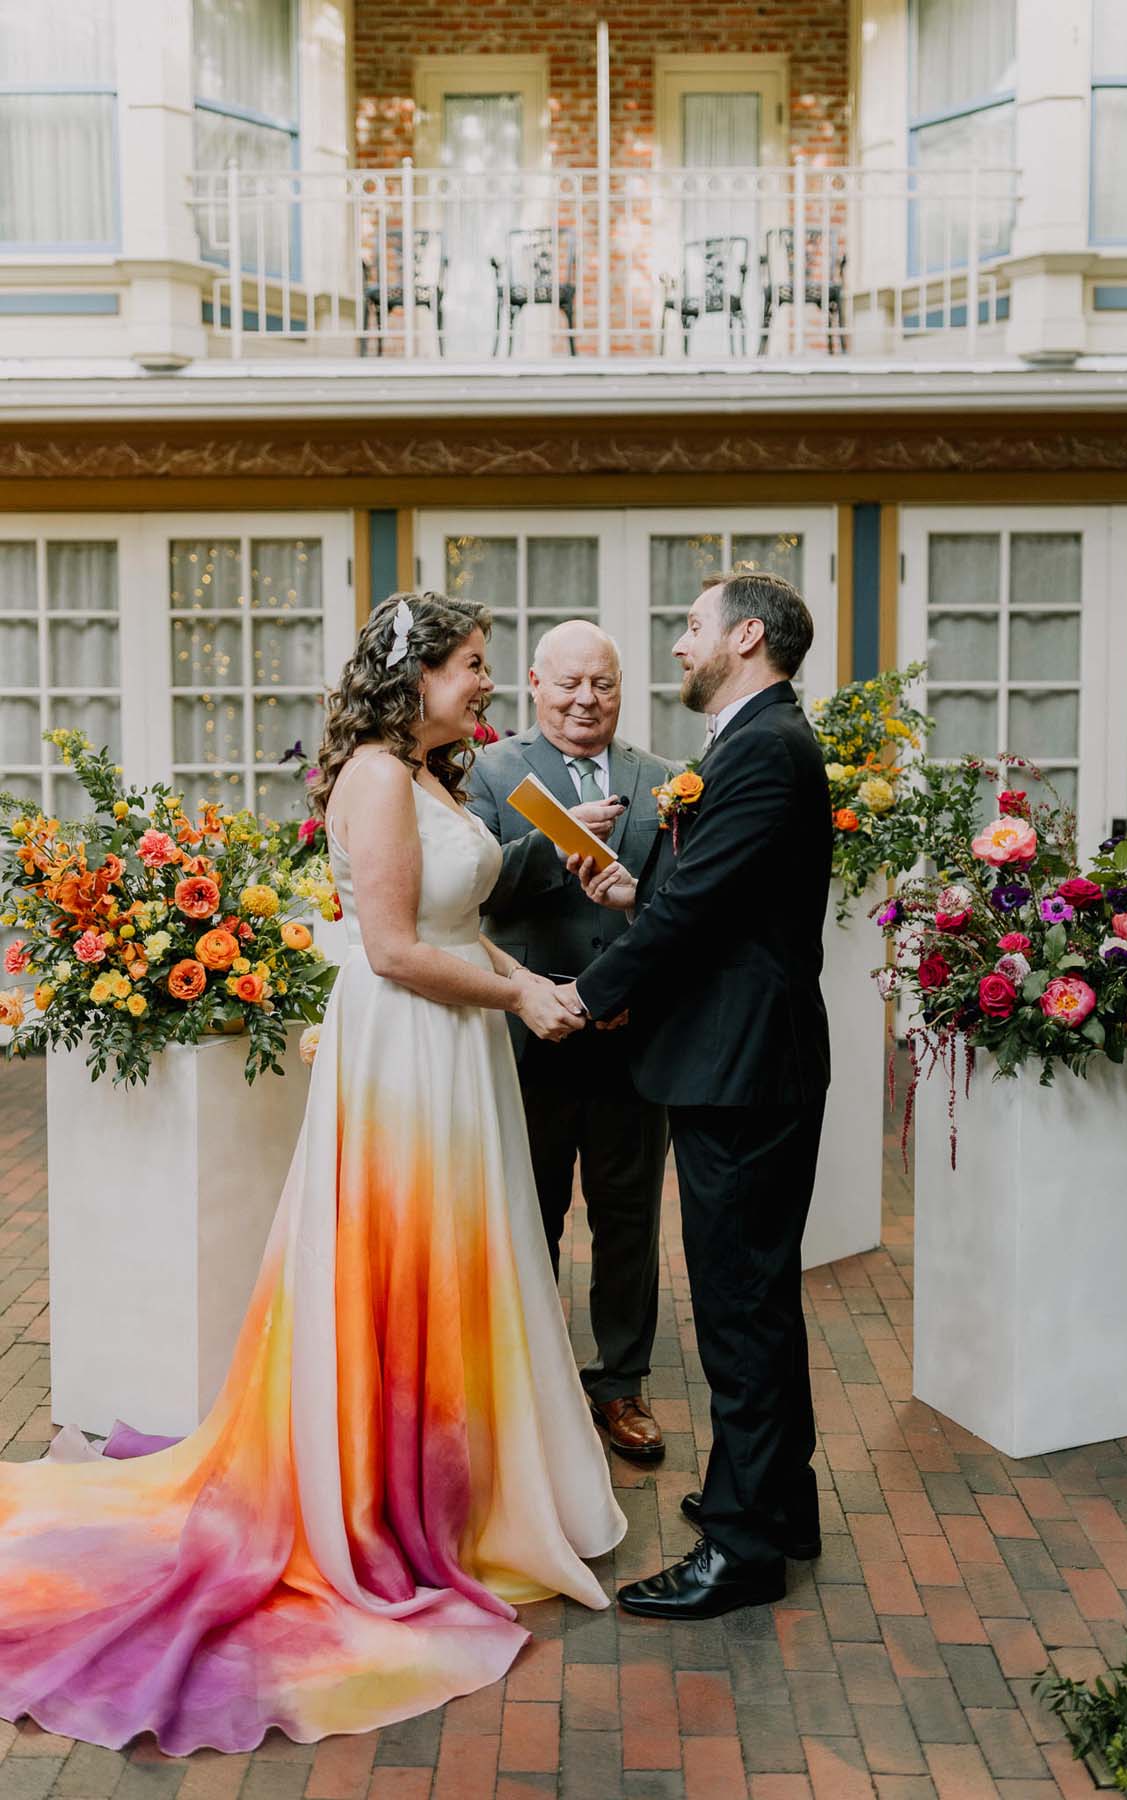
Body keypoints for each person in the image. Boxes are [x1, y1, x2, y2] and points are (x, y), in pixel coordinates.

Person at [0, 593, 625, 1755]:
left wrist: (517, 984)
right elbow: (392, 951)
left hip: (457, 1046)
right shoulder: (382, 782)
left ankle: (460, 1483)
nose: (488, 685)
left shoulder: (436, 776)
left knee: (467, 1264)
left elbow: (454, 921)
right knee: (408, 1266)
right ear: (421, 674)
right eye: (477, 666)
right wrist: (520, 994)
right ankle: (390, 1502)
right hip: (407, 1054)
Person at [560, 570, 831, 1622]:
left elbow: (696, 924)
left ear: (746, 635)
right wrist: (637, 890)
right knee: (755, 1299)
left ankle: (743, 1550)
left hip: (744, 1069)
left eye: (690, 625)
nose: (678, 645)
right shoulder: (759, 739)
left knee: (738, 1309)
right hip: (746, 1060)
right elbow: (714, 898)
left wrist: (580, 998)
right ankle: (776, 1503)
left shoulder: (764, 747)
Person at [467, 621, 672, 1463]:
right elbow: (481, 893)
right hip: (532, 1032)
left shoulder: (661, 781)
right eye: (569, 684)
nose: (587, 700)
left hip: (629, 1037)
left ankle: (620, 1384)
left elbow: (674, 902)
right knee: (532, 1213)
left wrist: (631, 991)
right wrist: (552, 845)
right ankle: (535, 1385)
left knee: (629, 1219)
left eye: (605, 684)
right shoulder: (492, 771)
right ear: (535, 683)